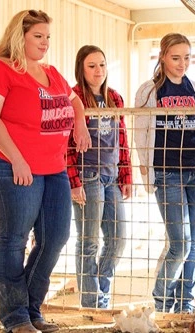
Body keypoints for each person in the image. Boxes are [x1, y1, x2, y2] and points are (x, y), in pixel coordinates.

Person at [0, 10, 91, 333]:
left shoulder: (51, 72)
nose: (45, 43)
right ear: (19, 36)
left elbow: (74, 99)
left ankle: (30, 308)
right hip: (8, 162)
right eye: (38, 36)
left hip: (52, 167)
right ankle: (16, 318)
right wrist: (17, 159)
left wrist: (79, 121)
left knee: (56, 236)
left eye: (48, 37)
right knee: (15, 237)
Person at [134, 32, 195, 314]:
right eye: (176, 57)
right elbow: (141, 134)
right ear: (163, 57)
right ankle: (161, 299)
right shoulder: (149, 92)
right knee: (181, 242)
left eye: (187, 58)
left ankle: (185, 302)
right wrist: (148, 173)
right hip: (168, 173)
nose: (182, 64)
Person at [66, 45, 132, 311]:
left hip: (111, 176)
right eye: (92, 66)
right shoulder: (74, 98)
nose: (98, 71)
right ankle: (92, 303)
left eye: (102, 65)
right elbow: (66, 144)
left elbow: (122, 138)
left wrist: (125, 173)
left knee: (118, 238)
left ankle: (101, 290)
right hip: (88, 176)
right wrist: (74, 181)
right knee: (89, 240)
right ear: (81, 69)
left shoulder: (114, 98)